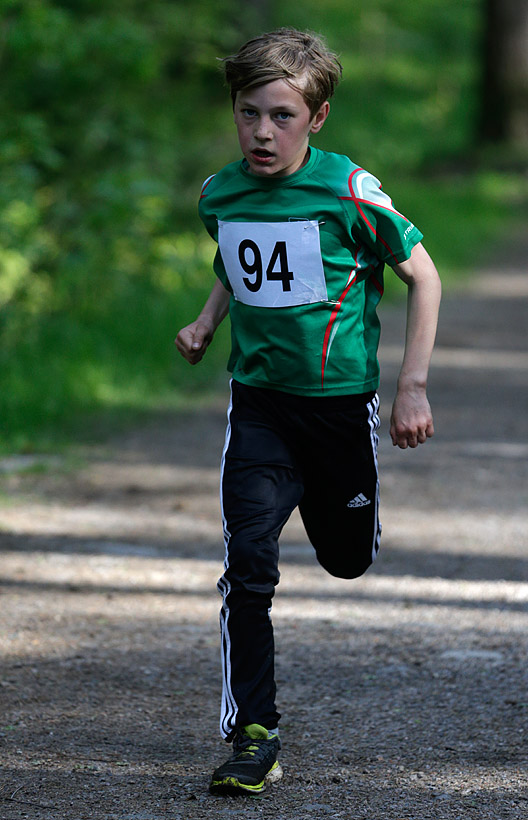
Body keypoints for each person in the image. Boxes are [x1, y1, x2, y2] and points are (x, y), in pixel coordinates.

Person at [175, 27, 441, 796]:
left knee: (346, 558)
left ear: (316, 118)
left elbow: (424, 277)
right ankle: (253, 733)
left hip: (338, 411)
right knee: (247, 567)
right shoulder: (219, 193)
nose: (263, 132)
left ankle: (349, 514)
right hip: (259, 404)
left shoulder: (349, 191)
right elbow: (236, 257)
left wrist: (412, 386)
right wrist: (207, 320)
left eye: (282, 116)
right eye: (248, 113)